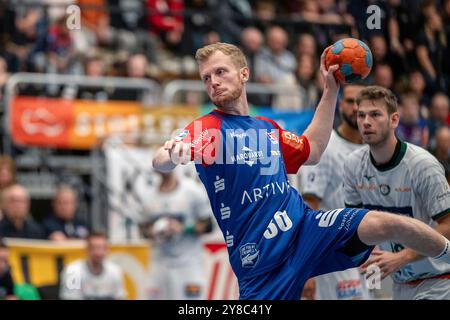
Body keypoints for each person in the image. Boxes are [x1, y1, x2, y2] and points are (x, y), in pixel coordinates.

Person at [152, 42, 450, 300]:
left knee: (385, 224)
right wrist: (172, 154)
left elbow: (313, 149)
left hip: (305, 230)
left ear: (244, 74)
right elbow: (161, 158)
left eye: (220, 72)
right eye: (206, 78)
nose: (213, 82)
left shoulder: (267, 128)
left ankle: (447, 251)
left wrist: (330, 90)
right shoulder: (207, 128)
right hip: (262, 265)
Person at [343, 85, 450, 300]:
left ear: (394, 120)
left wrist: (402, 257)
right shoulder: (353, 165)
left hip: (439, 281)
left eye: (375, 115)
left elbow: (448, 225)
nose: (366, 122)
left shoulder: (423, 165)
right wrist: (369, 284)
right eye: (361, 115)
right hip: (400, 285)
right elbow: (356, 228)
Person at [299, 83, 372, 300]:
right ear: (340, 106)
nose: (356, 108)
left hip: (367, 256)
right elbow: (307, 211)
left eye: (362, 103)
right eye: (350, 101)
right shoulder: (327, 148)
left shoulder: (373, 150)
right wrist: (306, 270)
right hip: (333, 255)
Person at [141, 170, 213, 300]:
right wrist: (152, 231)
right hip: (160, 262)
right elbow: (143, 229)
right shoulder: (149, 197)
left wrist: (184, 228)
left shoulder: (192, 191)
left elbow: (208, 225)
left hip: (188, 262)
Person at [59, 232, 126, 300]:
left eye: (104, 248)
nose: (99, 252)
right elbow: (70, 298)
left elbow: (119, 296)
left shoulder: (115, 270)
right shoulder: (73, 271)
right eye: (95, 248)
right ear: (87, 249)